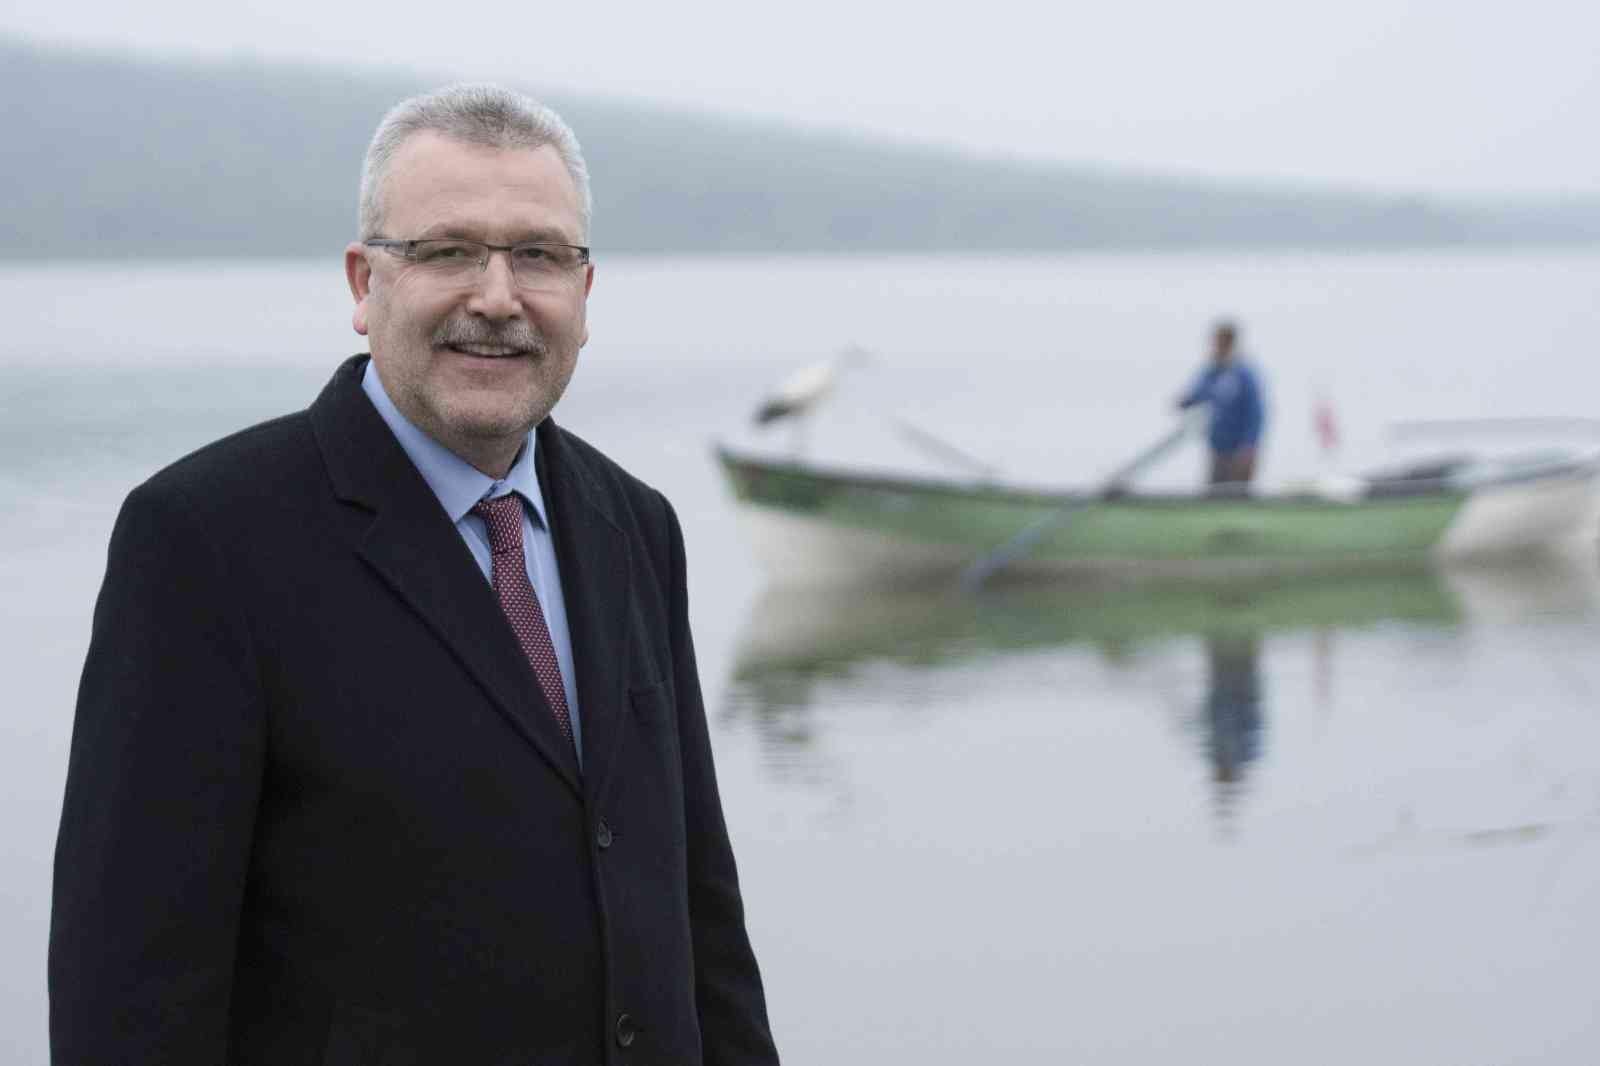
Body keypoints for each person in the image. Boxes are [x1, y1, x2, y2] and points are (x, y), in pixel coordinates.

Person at [49, 84, 779, 1066]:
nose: (496, 295)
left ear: (584, 292)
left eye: (538, 255)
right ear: (363, 284)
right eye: (445, 250)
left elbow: (700, 914)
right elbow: (130, 990)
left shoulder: (636, 524)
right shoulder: (205, 539)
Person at [1175, 319, 1266, 487]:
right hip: (1218, 450)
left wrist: (1249, 447)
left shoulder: (1244, 375)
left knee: (1236, 496)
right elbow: (1197, 395)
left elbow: (1256, 414)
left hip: (1239, 451)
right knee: (1214, 493)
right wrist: (1184, 401)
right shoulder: (1211, 372)